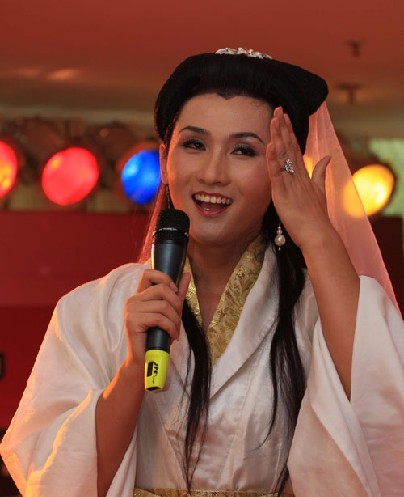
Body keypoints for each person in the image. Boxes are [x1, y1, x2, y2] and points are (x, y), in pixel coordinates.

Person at [1, 48, 403, 497]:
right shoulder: (92, 310)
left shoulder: (318, 309)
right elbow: (55, 480)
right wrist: (132, 372)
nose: (213, 173)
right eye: (194, 145)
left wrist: (317, 235)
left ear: (281, 170)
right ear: (164, 159)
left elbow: (383, 426)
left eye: (244, 150)